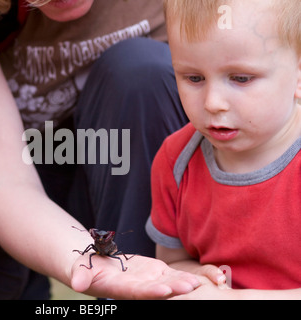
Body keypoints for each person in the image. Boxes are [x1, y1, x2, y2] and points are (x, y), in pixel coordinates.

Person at [0, 0, 196, 299]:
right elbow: (3, 180)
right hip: (23, 162)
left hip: (131, 163)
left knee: (141, 72)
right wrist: (76, 256)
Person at [147, 0, 301, 299]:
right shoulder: (176, 160)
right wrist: (193, 277)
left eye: (241, 78)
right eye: (194, 78)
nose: (213, 102)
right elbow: (171, 260)